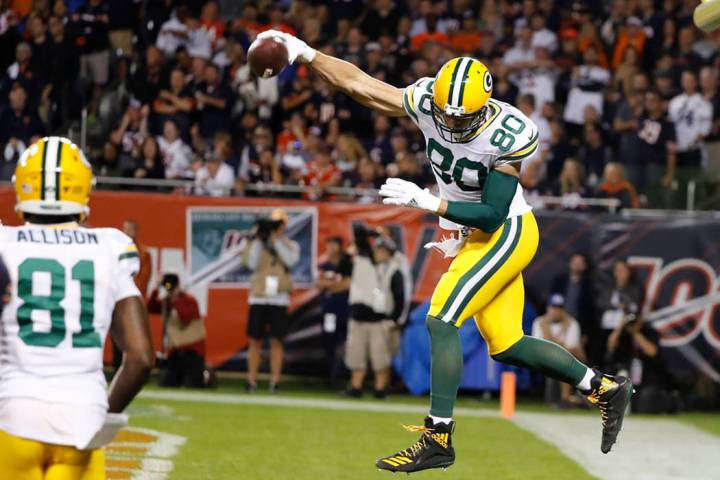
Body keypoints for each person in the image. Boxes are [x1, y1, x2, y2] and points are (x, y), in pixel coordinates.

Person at [252, 29, 633, 473]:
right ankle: (603, 387)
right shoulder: (431, 101)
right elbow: (365, 88)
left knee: (440, 317)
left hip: (506, 231)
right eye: (444, 114)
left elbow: (491, 213)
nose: (450, 123)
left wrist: (429, 201)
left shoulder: (508, 131)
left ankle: (438, 438)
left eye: (461, 118)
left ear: (485, 108)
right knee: (507, 344)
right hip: (475, 235)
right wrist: (306, 53)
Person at [0, 136, 154, 478]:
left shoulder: (4, 242)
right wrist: (102, 417)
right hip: (82, 420)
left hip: (13, 415)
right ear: (84, 188)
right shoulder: (110, 246)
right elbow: (142, 357)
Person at [241, 209, 300, 394]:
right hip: (259, 296)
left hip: (279, 299)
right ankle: (251, 381)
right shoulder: (255, 243)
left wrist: (275, 240)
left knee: (277, 342)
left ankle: (275, 382)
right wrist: (260, 238)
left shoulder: (290, 245)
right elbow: (251, 264)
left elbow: (290, 261)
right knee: (255, 341)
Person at [344, 226, 407, 399]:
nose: (380, 252)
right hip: (358, 318)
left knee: (381, 358)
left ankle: (380, 389)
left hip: (380, 321)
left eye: (384, 250)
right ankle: (355, 387)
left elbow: (400, 298)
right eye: (378, 248)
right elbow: (358, 237)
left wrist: (393, 320)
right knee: (356, 355)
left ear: (390, 253)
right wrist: (371, 233)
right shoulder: (363, 261)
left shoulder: (394, 271)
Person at [606, 312, 677, 414]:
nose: (633, 326)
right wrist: (619, 327)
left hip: (649, 378)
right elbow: (610, 345)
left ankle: (672, 401)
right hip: (630, 378)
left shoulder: (649, 332)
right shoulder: (624, 334)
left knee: (642, 406)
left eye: (635, 322)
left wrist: (636, 333)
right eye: (631, 323)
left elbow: (652, 351)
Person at [147, 272, 206, 388]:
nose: (169, 287)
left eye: (171, 285)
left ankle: (206, 376)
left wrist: (175, 299)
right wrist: (156, 288)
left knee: (192, 385)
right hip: (175, 351)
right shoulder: (166, 301)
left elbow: (186, 320)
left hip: (193, 351)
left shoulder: (189, 300)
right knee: (167, 383)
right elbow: (150, 307)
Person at [532, 294, 586, 408]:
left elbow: (571, 349)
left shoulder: (572, 323)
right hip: (546, 361)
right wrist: (557, 340)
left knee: (565, 360)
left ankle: (566, 398)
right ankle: (570, 400)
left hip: (572, 362)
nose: (555, 311)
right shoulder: (539, 322)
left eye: (559, 308)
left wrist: (549, 338)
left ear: (563, 310)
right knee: (560, 361)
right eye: (553, 308)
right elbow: (537, 349)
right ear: (548, 308)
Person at [316, 236, 353, 385]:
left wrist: (330, 285)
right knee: (329, 341)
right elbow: (319, 283)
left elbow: (348, 285)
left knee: (345, 342)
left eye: (333, 245)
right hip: (329, 312)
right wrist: (337, 285)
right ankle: (331, 375)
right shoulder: (324, 265)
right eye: (328, 244)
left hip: (344, 310)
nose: (330, 248)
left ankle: (344, 373)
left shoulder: (347, 264)